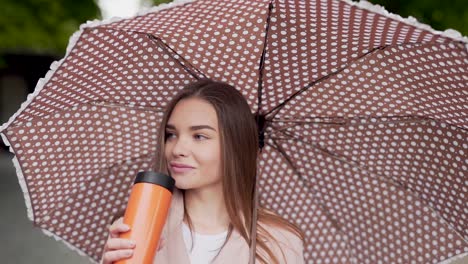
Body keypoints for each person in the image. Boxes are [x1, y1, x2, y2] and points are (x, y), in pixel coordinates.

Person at [101, 79, 304, 264]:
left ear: (239, 146)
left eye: (199, 136)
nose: (178, 149)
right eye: (171, 135)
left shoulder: (279, 242)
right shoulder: (138, 225)